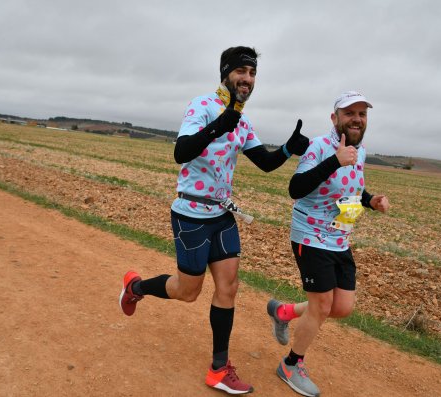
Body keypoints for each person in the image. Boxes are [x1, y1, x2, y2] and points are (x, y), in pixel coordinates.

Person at [119, 46, 310, 395]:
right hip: (191, 215)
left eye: (252, 74)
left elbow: (264, 163)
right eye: (241, 72)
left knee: (229, 288)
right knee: (187, 292)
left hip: (222, 216)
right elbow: (182, 151)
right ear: (226, 72)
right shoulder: (203, 106)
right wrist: (218, 125)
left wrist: (287, 149)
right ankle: (136, 288)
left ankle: (219, 369)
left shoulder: (244, 121)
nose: (247, 80)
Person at [266, 91, 390, 396]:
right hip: (310, 234)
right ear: (335, 118)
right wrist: (334, 160)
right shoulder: (320, 147)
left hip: (339, 237)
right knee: (321, 305)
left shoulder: (360, 152)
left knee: (342, 306)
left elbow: (351, 190)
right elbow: (295, 188)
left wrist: (370, 200)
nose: (357, 119)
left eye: (362, 114)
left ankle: (283, 312)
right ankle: (291, 365)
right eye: (350, 113)